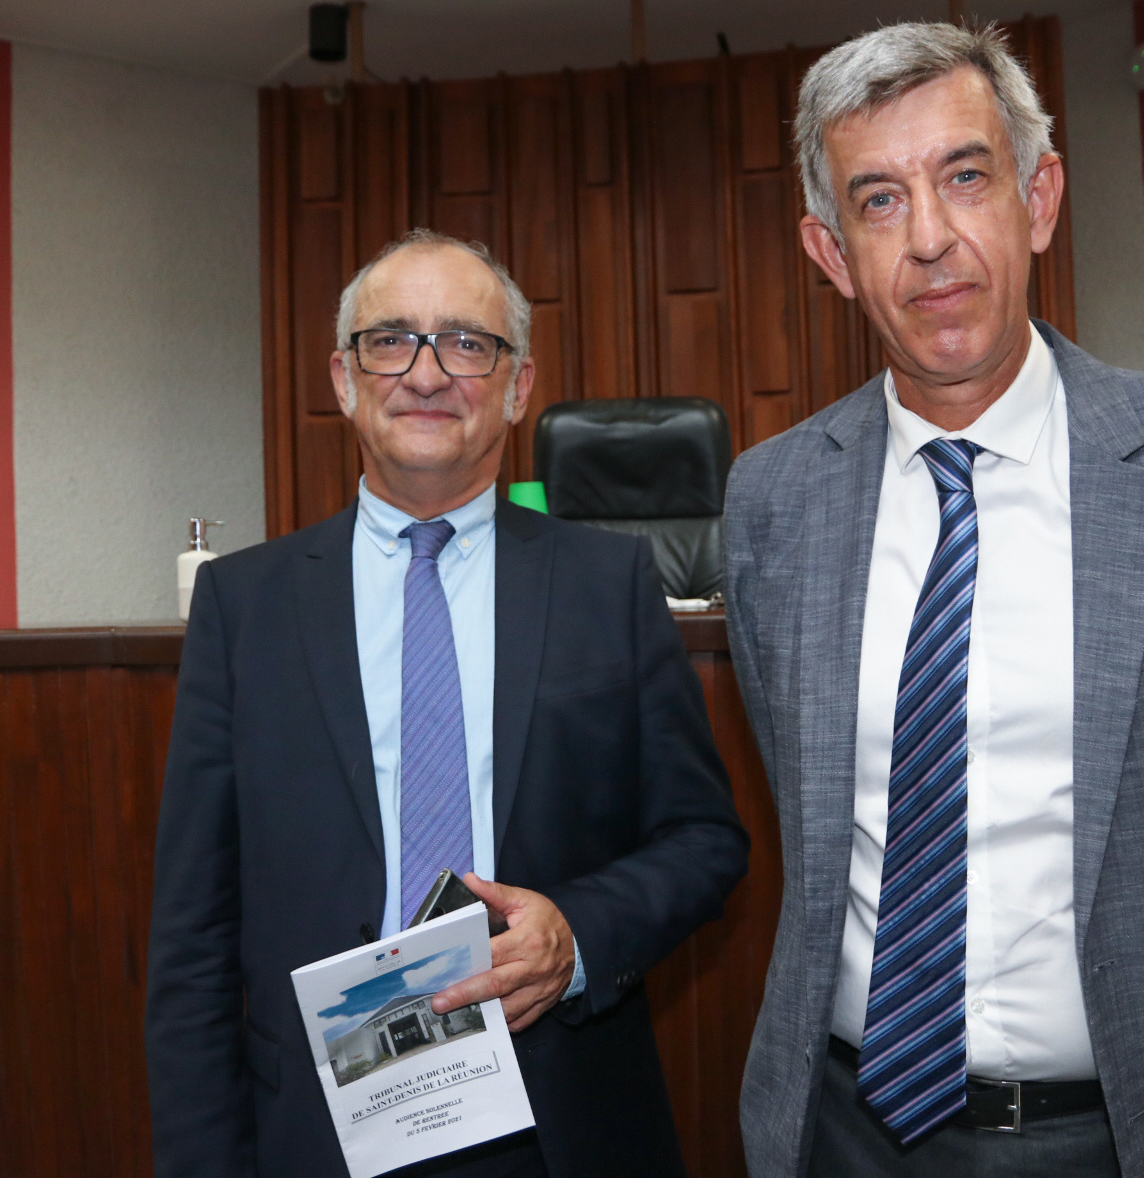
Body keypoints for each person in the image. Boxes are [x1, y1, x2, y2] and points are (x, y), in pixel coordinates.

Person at [724, 22, 1144, 1178]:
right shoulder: (772, 503)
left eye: (966, 176)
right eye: (878, 200)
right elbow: (806, 811)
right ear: (831, 253)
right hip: (845, 1132)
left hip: (1139, 1128)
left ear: (1039, 200)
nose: (929, 238)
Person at [147, 230, 748, 1178]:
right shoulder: (244, 606)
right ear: (344, 379)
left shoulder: (609, 585)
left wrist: (577, 933)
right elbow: (194, 932)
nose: (426, 375)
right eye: (391, 341)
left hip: (560, 1120)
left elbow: (705, 840)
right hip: (317, 1132)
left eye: (467, 344)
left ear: (517, 386)